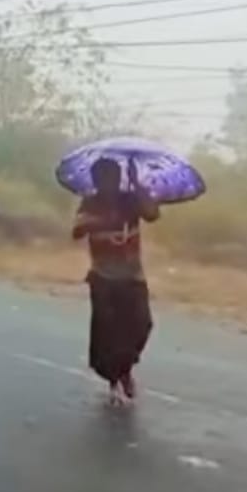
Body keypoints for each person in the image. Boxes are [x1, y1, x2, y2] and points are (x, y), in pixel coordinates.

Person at [71, 157, 160, 406]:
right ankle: (115, 380)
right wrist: (101, 220)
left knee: (142, 324)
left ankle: (125, 369)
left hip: (133, 275)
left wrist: (137, 184)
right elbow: (77, 231)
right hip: (102, 276)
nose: (109, 182)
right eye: (103, 177)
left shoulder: (131, 199)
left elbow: (152, 214)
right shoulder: (90, 202)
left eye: (115, 176)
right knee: (108, 333)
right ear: (96, 180)